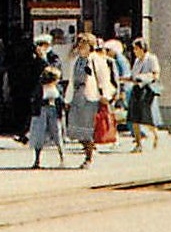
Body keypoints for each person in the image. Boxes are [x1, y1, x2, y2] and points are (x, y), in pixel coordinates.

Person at [66, 34, 112, 167]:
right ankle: (87, 150)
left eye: (84, 44)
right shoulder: (76, 60)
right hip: (77, 96)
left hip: (91, 97)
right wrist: (67, 99)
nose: (81, 47)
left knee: (88, 129)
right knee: (75, 129)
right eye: (79, 44)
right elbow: (71, 79)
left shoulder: (96, 60)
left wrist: (105, 95)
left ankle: (89, 157)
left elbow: (103, 79)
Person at [28, 65, 68, 169]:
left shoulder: (58, 88)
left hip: (54, 111)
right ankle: (37, 160)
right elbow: (35, 99)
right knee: (39, 135)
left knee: (57, 134)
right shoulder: (40, 88)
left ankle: (62, 157)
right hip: (42, 111)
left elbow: (61, 100)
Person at [126, 38, 162, 152]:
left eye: (136, 49)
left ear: (142, 49)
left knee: (146, 117)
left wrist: (143, 77)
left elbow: (155, 74)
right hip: (136, 89)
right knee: (134, 118)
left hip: (146, 89)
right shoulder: (137, 61)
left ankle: (156, 136)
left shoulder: (151, 59)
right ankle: (138, 144)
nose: (134, 51)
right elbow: (133, 75)